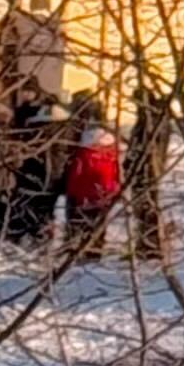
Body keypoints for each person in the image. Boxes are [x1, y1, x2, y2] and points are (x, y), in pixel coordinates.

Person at [58, 95, 124, 260]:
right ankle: (95, 250)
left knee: (78, 223)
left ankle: (77, 250)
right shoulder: (111, 152)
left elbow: (76, 174)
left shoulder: (83, 152)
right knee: (99, 224)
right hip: (103, 195)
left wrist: (69, 191)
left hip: (82, 196)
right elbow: (117, 173)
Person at [0, 87, 64, 244]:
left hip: (37, 174)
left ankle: (33, 236)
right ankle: (38, 236)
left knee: (32, 206)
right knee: (38, 208)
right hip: (44, 176)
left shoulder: (37, 129)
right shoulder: (58, 132)